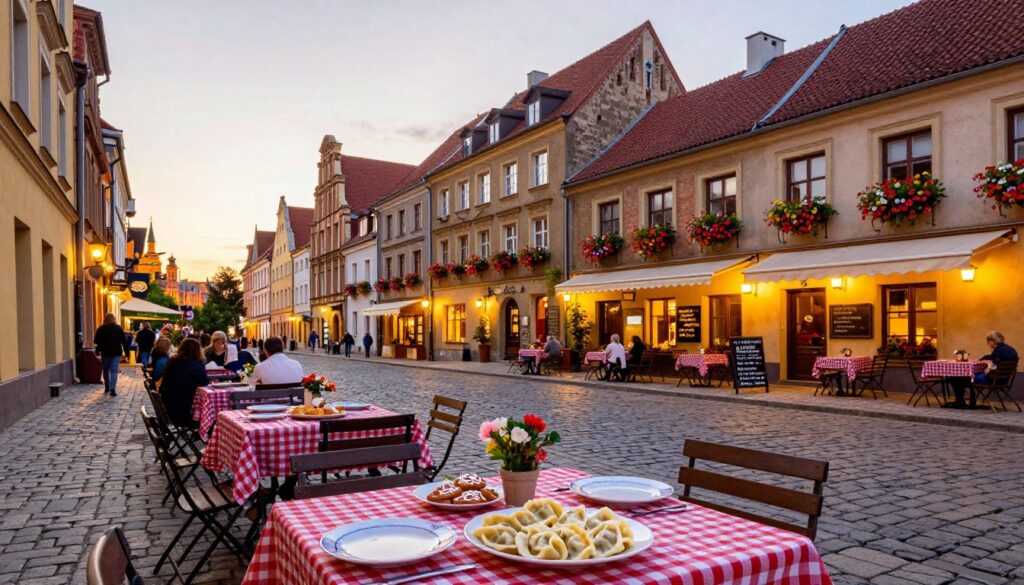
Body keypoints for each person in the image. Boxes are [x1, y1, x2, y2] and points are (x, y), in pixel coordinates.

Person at [947, 331, 1018, 409]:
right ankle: (962, 401)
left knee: (955, 378)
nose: (987, 343)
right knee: (962, 377)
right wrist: (984, 359)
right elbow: (993, 359)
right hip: (1003, 379)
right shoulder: (1010, 349)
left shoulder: (998, 351)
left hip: (992, 380)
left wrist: (986, 366)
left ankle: (960, 402)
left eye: (988, 341)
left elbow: (993, 365)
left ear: (992, 341)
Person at [159, 338, 208, 428]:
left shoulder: (172, 362)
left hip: (170, 409)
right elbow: (204, 384)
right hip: (185, 413)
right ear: (198, 350)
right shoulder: (197, 364)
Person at [94, 313, 129, 396]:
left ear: (105, 319)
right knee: (114, 369)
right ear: (114, 319)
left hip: (105, 352)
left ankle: (107, 386)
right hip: (116, 352)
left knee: (106, 370)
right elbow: (124, 341)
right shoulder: (118, 328)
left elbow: (96, 341)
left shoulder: (101, 328)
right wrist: (127, 353)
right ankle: (113, 388)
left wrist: (98, 350)